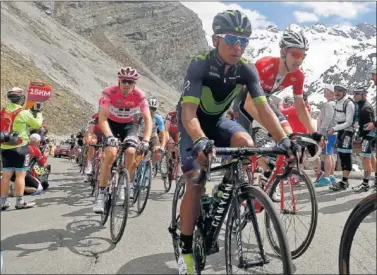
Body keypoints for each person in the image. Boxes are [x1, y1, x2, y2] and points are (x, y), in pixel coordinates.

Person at [176, 10, 296, 274]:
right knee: (196, 180)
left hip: (218, 121)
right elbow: (188, 114)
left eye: (244, 41)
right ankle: (185, 248)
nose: (238, 46)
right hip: (193, 123)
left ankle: (227, 190)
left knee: (245, 140)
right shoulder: (200, 64)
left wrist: (285, 141)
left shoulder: (246, 68)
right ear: (215, 39)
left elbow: (263, 109)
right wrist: (200, 140)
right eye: (231, 39)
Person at [232, 24, 315, 136]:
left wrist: (315, 133)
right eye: (296, 54)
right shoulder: (265, 65)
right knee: (246, 144)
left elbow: (300, 107)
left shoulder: (298, 76)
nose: (299, 60)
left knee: (290, 135)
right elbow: (249, 104)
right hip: (243, 102)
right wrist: (273, 129)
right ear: (283, 53)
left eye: (303, 56)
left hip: (265, 101)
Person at [93, 66, 152, 214]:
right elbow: (102, 118)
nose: (126, 84)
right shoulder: (109, 92)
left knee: (132, 151)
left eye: (130, 82)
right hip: (110, 125)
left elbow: (148, 120)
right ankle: (101, 195)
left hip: (128, 125)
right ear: (119, 81)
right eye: (124, 81)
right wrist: (110, 136)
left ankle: (126, 184)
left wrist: (145, 140)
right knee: (111, 153)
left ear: (134, 84)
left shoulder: (140, 96)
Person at [0, 87, 43, 210]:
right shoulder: (23, 112)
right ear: (21, 99)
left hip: (5, 146)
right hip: (20, 147)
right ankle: (20, 201)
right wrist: (39, 113)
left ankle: (2, 202)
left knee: (6, 175)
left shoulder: (3, 111)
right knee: (20, 175)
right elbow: (37, 125)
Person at [328, 85, 355, 191]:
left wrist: (334, 128)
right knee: (341, 155)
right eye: (336, 91)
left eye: (340, 91)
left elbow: (349, 122)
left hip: (347, 131)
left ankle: (344, 181)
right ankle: (344, 181)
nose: (337, 93)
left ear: (344, 92)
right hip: (340, 130)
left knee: (345, 155)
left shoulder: (349, 103)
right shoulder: (337, 102)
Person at [351, 86, 376, 192]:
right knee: (371, 157)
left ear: (363, 95)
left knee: (366, 159)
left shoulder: (365, 108)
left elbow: (369, 125)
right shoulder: (358, 105)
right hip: (369, 135)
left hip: (369, 135)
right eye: (354, 93)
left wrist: (359, 133)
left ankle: (365, 183)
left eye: (357, 94)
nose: (354, 95)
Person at [136, 98, 167, 182]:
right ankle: (135, 170)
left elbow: (163, 133)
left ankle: (149, 168)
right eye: (149, 108)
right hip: (139, 136)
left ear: (156, 109)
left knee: (158, 154)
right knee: (137, 155)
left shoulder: (158, 118)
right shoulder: (139, 116)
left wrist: (162, 147)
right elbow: (134, 128)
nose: (151, 110)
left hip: (153, 136)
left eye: (153, 109)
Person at [314, 84, 337, 187]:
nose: (324, 92)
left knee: (327, 155)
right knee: (330, 154)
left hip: (327, 133)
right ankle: (331, 175)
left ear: (332, 93)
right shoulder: (335, 103)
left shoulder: (329, 104)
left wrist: (321, 132)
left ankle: (326, 177)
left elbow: (327, 118)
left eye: (326, 90)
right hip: (333, 132)